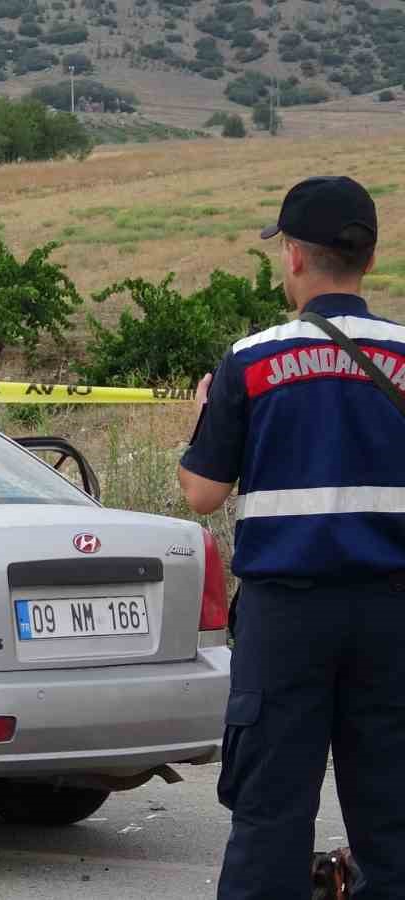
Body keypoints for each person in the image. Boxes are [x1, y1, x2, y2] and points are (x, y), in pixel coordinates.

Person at [177, 175, 405, 899]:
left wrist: (203, 413)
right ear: (368, 261)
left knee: (271, 812)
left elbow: (202, 493)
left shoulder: (252, 359)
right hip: (391, 613)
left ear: (296, 259)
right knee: (393, 816)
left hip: (286, 617)